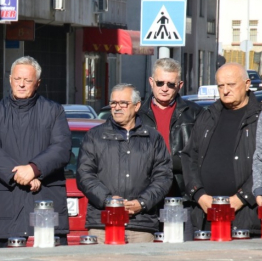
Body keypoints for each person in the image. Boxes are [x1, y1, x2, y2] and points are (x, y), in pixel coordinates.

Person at [0, 56, 71, 247]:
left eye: (27, 81)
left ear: (37, 83)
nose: (21, 85)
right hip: (7, 199)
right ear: (10, 79)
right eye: (17, 79)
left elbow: (62, 148)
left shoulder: (54, 111)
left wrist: (35, 169)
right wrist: (21, 174)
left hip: (45, 198)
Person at [77, 84, 172, 243]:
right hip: (103, 223)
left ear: (137, 106)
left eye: (123, 103)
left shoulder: (153, 138)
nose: (117, 108)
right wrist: (110, 201)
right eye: (114, 103)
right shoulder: (94, 136)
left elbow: (163, 177)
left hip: (141, 224)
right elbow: (84, 175)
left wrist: (141, 203)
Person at [182, 62, 261, 236]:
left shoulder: (259, 118)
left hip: (246, 216)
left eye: (231, 85)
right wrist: (199, 195)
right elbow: (189, 157)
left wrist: (241, 198)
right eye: (221, 86)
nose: (225, 90)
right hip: (205, 217)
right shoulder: (208, 115)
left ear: (247, 84)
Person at [138, 58, 202, 240]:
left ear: (179, 85)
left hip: (184, 196)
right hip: (146, 199)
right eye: (159, 83)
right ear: (151, 82)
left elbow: (199, 156)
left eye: (170, 84)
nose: (164, 88)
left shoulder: (196, 114)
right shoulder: (137, 115)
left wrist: (165, 162)